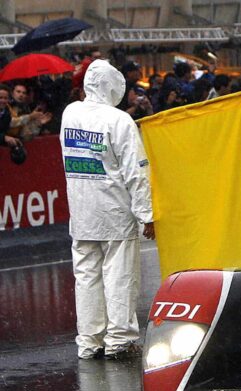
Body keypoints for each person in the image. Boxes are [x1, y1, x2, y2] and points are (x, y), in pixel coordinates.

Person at [59, 59, 155, 360]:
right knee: (120, 276)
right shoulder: (119, 121)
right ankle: (120, 340)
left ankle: (89, 341)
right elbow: (136, 172)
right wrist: (146, 215)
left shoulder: (70, 113)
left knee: (86, 278)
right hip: (114, 213)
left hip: (82, 212)